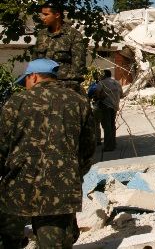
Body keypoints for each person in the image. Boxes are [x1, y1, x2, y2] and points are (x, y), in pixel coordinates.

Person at [0, 59, 95, 248]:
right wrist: (73, 173)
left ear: (33, 77)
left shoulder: (16, 102)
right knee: (53, 243)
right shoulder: (78, 101)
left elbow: (2, 144)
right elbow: (88, 148)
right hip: (60, 189)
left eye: (25, 81)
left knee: (7, 240)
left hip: (17, 186)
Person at [34, 1, 87, 94]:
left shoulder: (73, 35)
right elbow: (35, 61)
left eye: (46, 14)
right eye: (42, 14)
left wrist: (69, 87)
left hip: (65, 87)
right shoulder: (41, 35)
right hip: (41, 86)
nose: (43, 18)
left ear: (57, 15)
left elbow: (78, 66)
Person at [90, 70, 124, 152]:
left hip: (105, 105)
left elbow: (97, 94)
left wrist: (99, 97)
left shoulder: (102, 83)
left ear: (104, 75)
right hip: (115, 106)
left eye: (101, 75)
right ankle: (113, 143)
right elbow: (122, 95)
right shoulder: (117, 82)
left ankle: (108, 146)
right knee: (112, 125)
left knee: (107, 126)